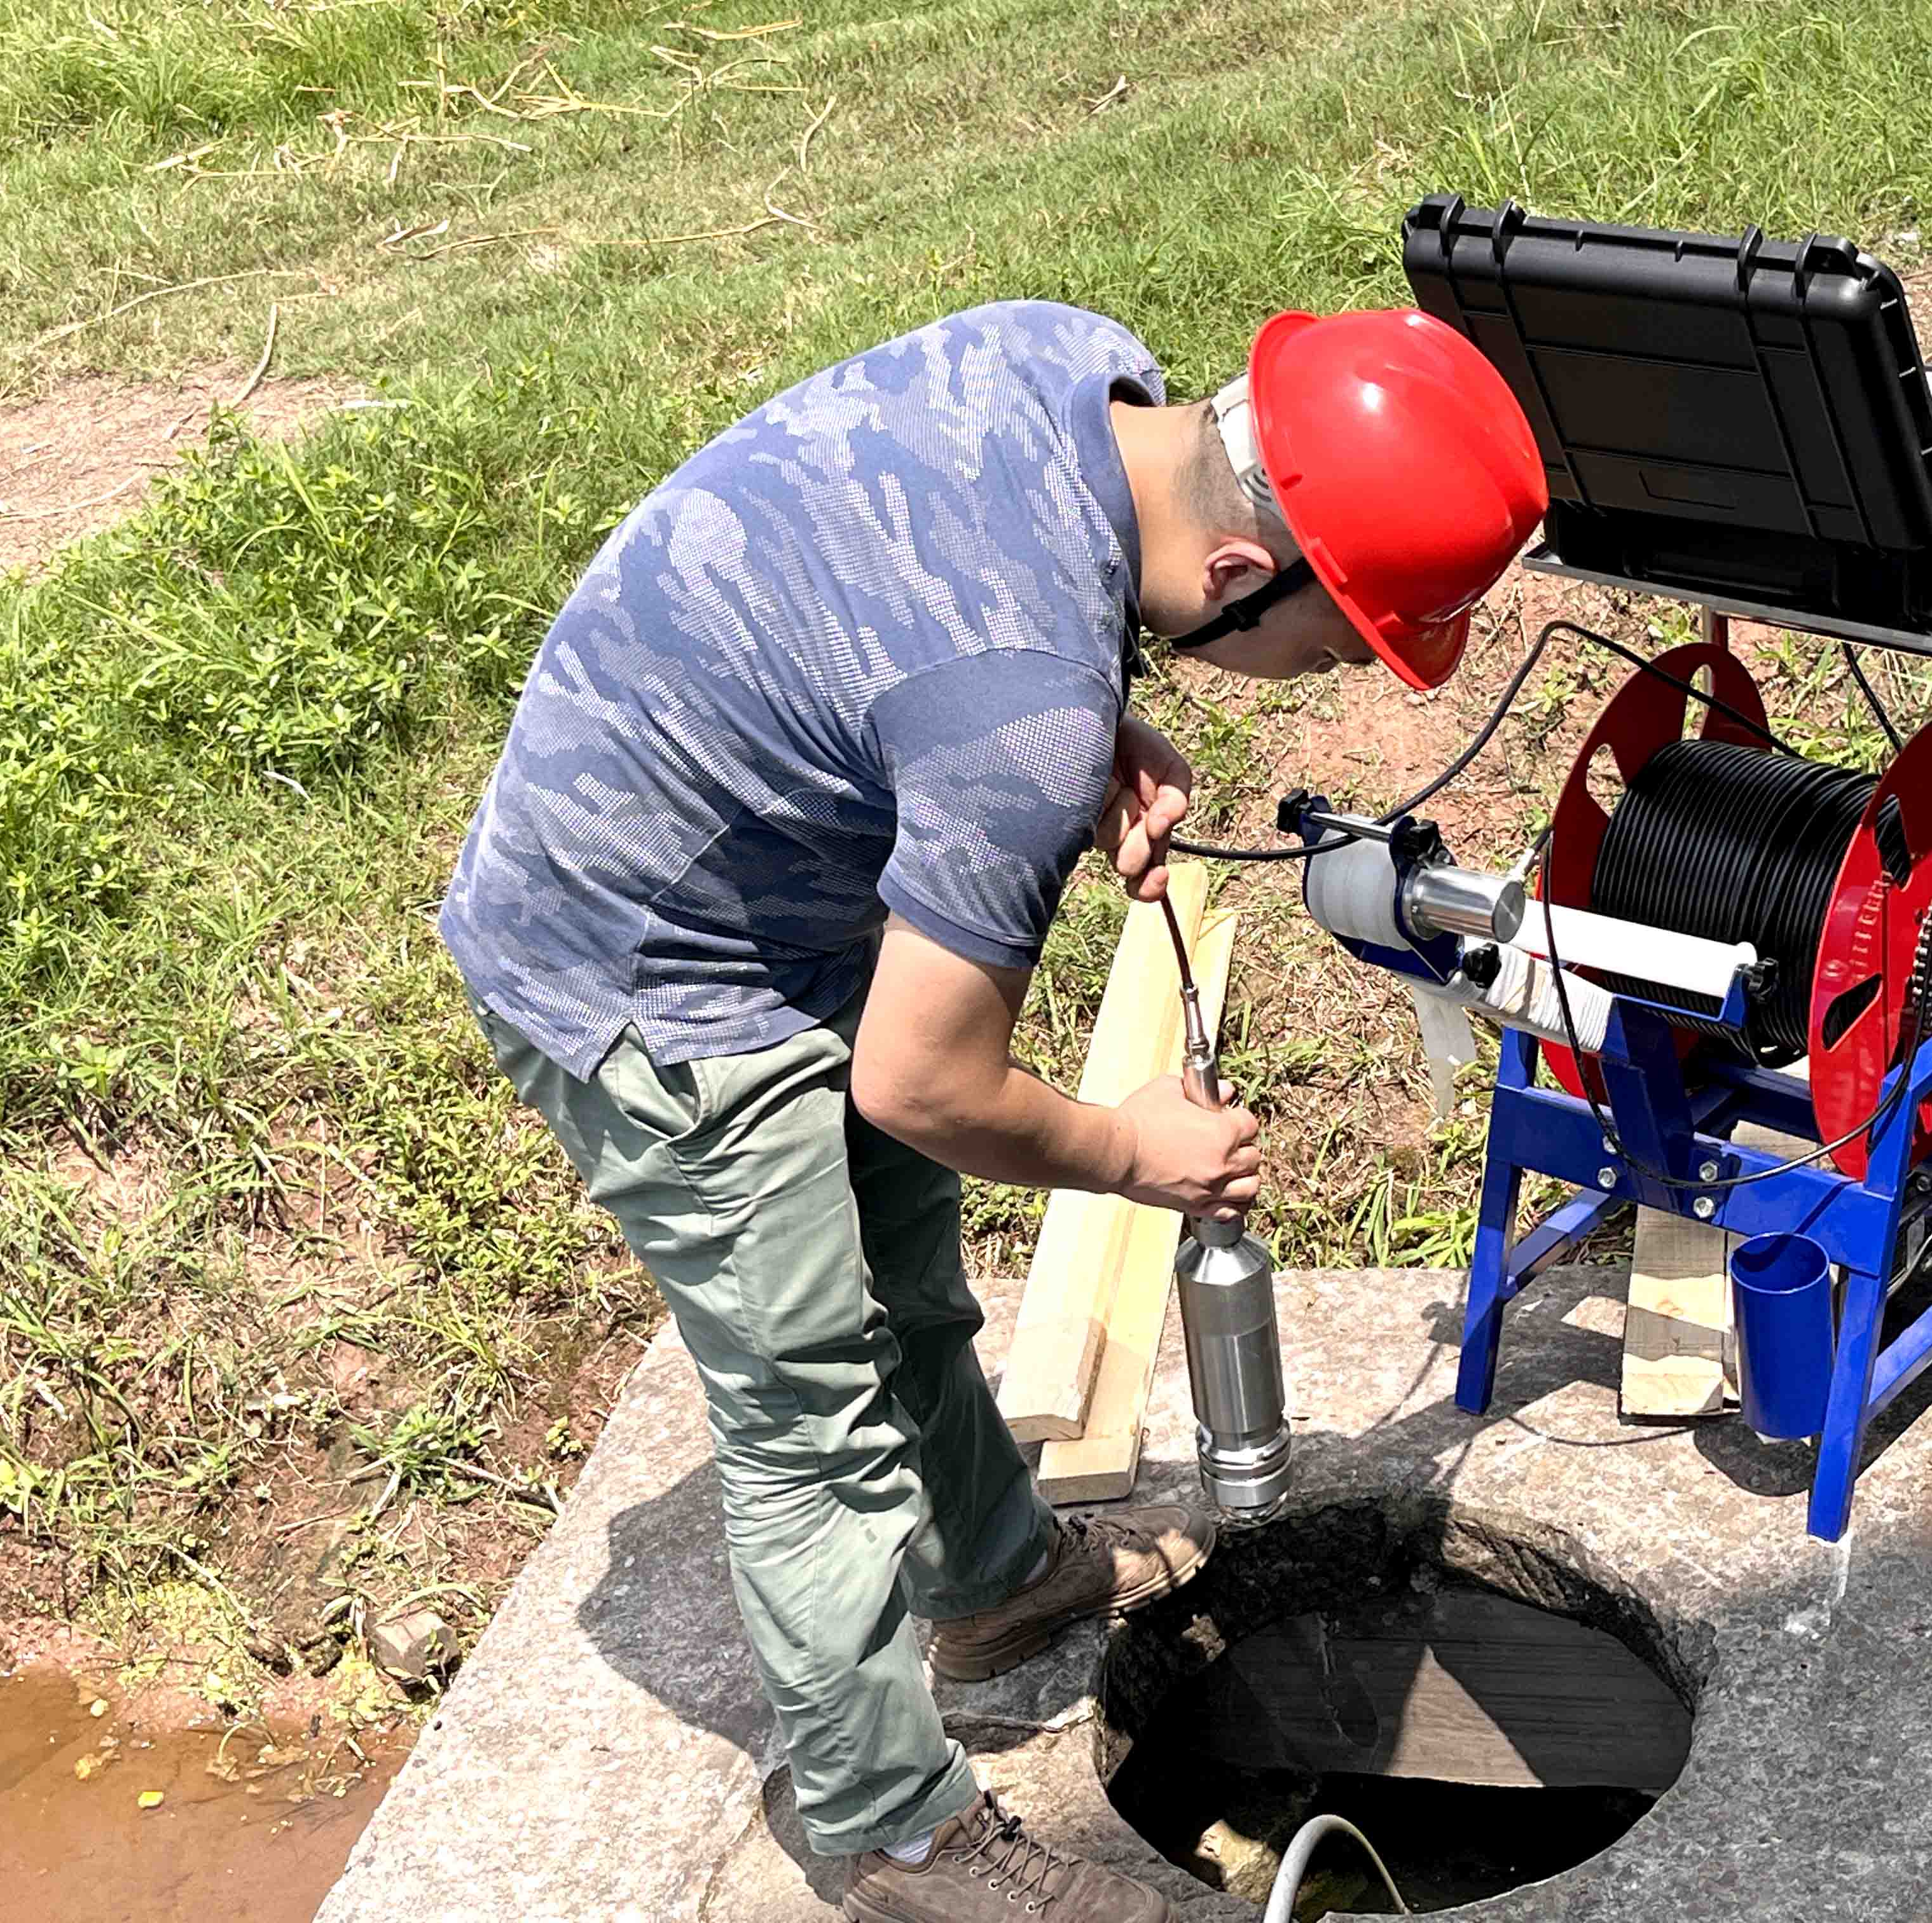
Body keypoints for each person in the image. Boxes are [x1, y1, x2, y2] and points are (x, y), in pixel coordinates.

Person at [438, 299, 1543, 1923]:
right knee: (808, 1412)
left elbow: (921, 599)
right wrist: (1126, 1153)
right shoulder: (1012, 712)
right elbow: (923, 1079)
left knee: (910, 1292)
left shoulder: (1079, 366)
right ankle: (891, 1834)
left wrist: (1087, 716)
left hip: (777, 871)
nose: (1313, 683)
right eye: (1326, 650)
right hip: (644, 961)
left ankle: (1000, 1580)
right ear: (1241, 574)